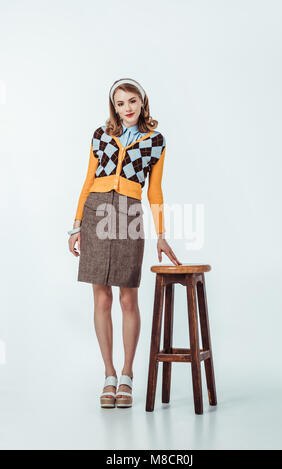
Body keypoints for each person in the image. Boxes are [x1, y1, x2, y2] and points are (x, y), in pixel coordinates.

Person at [68, 78, 181, 408]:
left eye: (132, 101)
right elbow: (88, 181)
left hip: (130, 214)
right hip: (96, 211)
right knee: (101, 298)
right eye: (120, 103)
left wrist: (161, 235)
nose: (127, 108)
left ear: (143, 102)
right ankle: (109, 374)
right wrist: (76, 227)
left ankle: (128, 375)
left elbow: (154, 192)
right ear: (113, 106)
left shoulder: (155, 141)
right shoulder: (101, 135)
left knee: (128, 298)